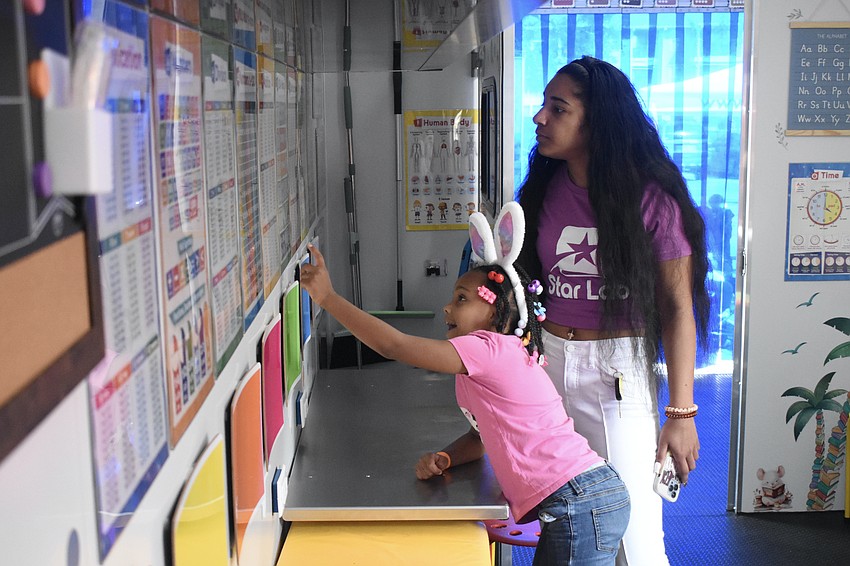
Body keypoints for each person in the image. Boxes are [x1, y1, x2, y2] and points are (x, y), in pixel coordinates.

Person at [300, 203, 630, 565]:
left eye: (461, 299)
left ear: (497, 312)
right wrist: (447, 458)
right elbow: (481, 438)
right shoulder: (487, 363)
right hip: (578, 498)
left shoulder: (489, 349)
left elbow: (393, 345)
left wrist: (328, 298)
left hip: (577, 499)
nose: (446, 309)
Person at [516, 56, 711, 566]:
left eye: (557, 109)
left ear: (597, 121)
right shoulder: (545, 188)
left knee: (635, 538)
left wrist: (681, 412)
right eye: (542, 105)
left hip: (616, 373)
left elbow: (677, 307)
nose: (540, 117)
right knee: (566, 517)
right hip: (549, 362)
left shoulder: (652, 200)